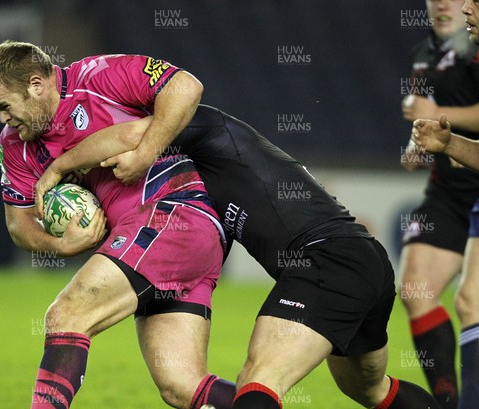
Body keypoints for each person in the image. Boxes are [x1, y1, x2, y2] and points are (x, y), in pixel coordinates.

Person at [36, 95, 441, 409]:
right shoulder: (191, 177)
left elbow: (131, 138)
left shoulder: (202, 126)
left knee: (258, 380)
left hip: (326, 261)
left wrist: (60, 166)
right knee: (372, 390)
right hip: (362, 260)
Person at [0, 41, 236, 409]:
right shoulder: (15, 144)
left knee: (67, 314)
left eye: (4, 107)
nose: (3, 119)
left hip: (174, 214)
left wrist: (145, 153)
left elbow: (186, 87)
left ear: (36, 84)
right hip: (161, 247)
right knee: (182, 387)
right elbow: (18, 224)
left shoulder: (100, 75)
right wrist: (61, 246)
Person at [397, 1, 479, 406]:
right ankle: (447, 401)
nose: (445, 3)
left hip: (477, 184)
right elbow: (425, 120)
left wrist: (438, 113)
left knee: (471, 302)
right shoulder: (421, 54)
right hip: (447, 192)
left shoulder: (475, 46)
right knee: (416, 289)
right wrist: (416, 145)